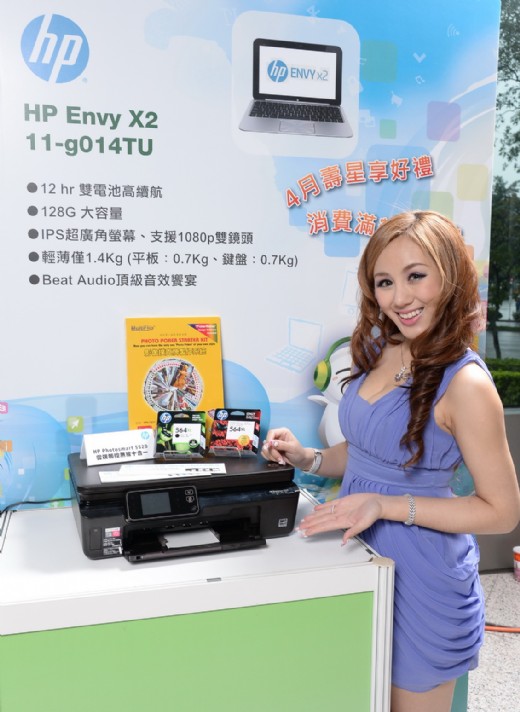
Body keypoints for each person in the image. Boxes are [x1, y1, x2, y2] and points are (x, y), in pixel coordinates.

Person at [262, 210, 520, 712]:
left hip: (421, 579)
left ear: (450, 275)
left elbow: (502, 511)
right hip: (355, 558)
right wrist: (309, 457)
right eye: (385, 282)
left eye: (415, 275)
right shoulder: (384, 347)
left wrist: (386, 505)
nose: (400, 297)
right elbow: (369, 454)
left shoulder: (466, 384)